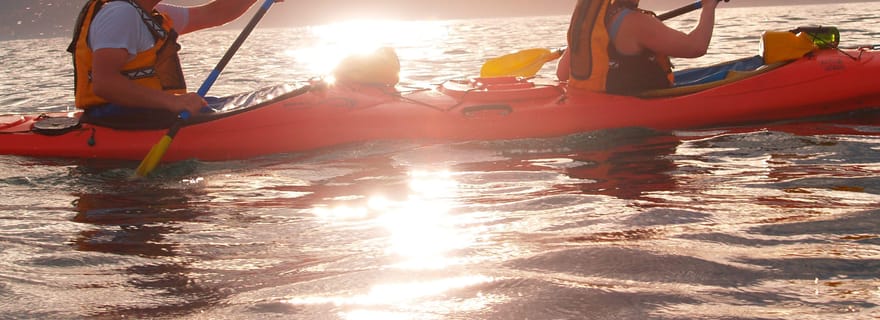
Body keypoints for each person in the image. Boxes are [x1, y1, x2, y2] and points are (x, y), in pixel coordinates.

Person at [67, 0, 280, 128]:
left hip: (148, 111)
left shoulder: (149, 12)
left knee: (259, 98)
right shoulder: (120, 14)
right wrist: (175, 102)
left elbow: (216, 13)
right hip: (119, 116)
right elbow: (105, 84)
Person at [558, 0, 720, 95]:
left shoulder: (589, 25)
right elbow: (696, 46)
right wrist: (709, 7)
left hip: (598, 103)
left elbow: (562, 73)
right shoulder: (635, 21)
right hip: (636, 119)